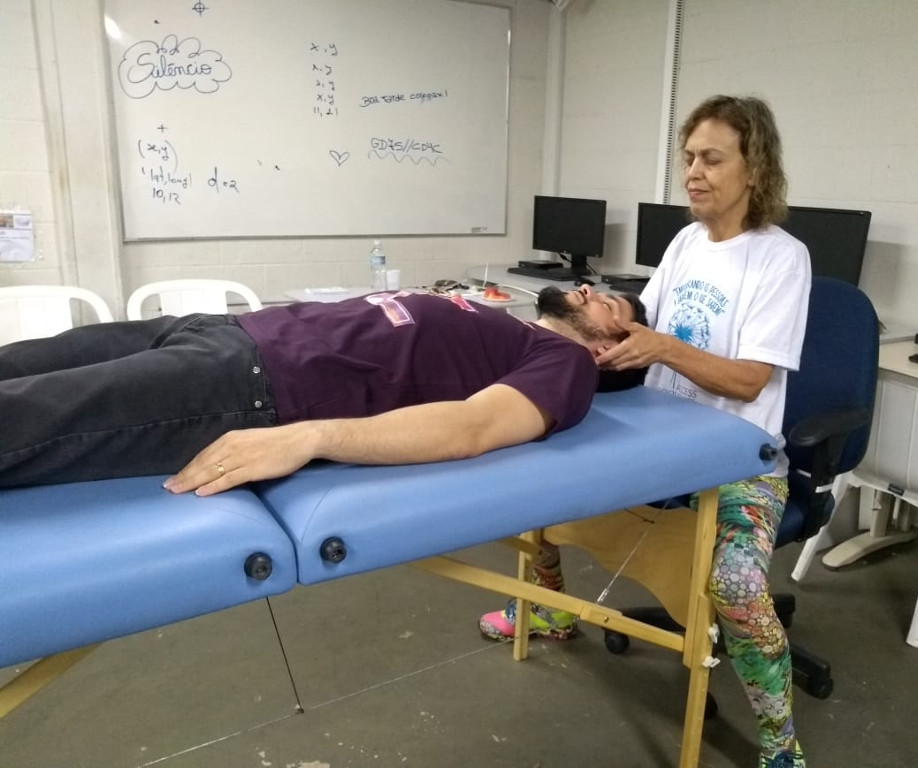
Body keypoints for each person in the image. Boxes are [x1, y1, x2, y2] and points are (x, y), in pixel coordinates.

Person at [479, 95, 811, 768]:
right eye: (688, 158)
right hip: (660, 443)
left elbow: (750, 381)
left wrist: (661, 348)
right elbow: (642, 320)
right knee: (540, 482)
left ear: (755, 169)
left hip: (741, 461)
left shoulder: (781, 259)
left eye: (711, 159)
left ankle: (780, 745)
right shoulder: (686, 242)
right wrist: (592, 317)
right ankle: (554, 610)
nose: (693, 173)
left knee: (738, 590)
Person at [0, 285, 646, 493]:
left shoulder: (567, 365)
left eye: (610, 303)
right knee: (18, 363)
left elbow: (472, 428)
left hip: (250, 382)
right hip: (224, 330)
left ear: (611, 351)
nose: (590, 289)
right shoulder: (512, 325)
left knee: (23, 416)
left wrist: (310, 438)